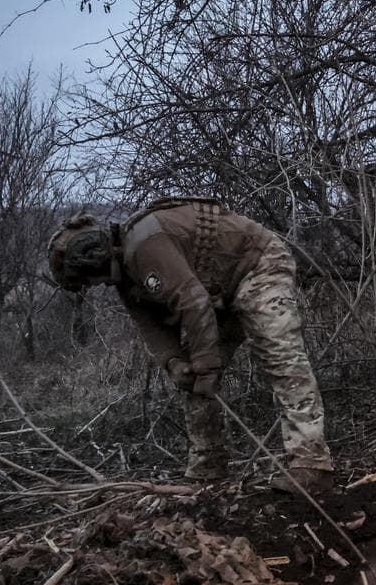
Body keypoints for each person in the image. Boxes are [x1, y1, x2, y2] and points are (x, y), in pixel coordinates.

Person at [47, 197, 333, 486]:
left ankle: (311, 463)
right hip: (217, 291)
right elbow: (151, 326)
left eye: (87, 280)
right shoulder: (125, 273)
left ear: (89, 257)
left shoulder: (145, 246)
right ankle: (208, 466)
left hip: (257, 264)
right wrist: (174, 362)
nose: (93, 285)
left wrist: (207, 367)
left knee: (281, 357)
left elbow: (193, 303)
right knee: (192, 376)